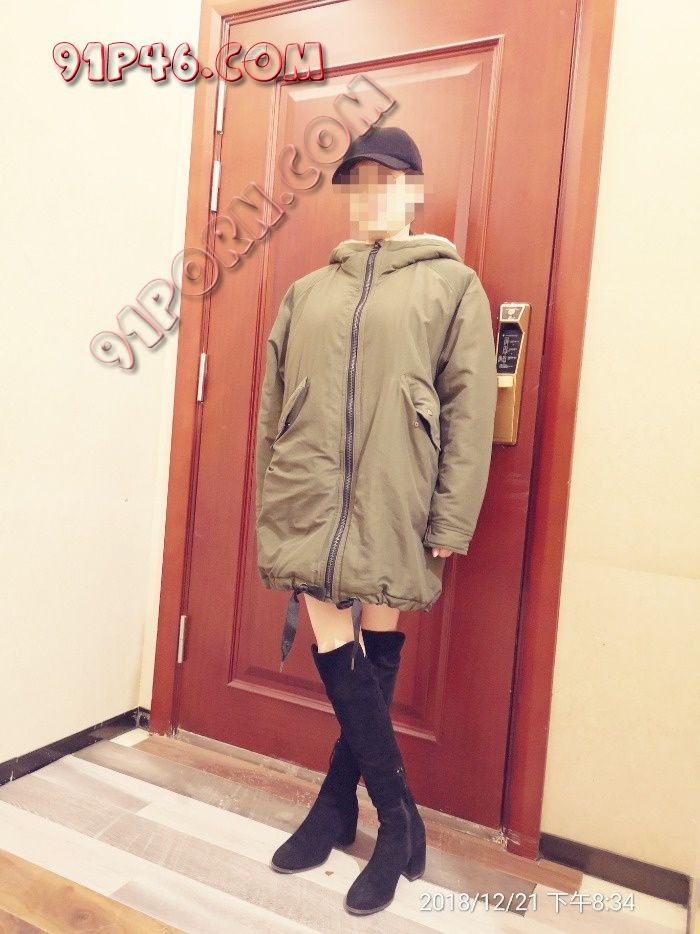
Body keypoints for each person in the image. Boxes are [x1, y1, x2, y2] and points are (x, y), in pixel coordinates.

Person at [255, 125, 498, 915]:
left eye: (388, 182)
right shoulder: (307, 292)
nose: (373, 197)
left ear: (415, 190)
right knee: (339, 648)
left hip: (398, 495)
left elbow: (468, 409)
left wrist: (451, 519)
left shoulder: (453, 286)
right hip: (307, 495)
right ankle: (396, 822)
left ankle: (337, 809)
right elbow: (272, 407)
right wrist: (270, 503)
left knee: (376, 650)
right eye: (358, 184)